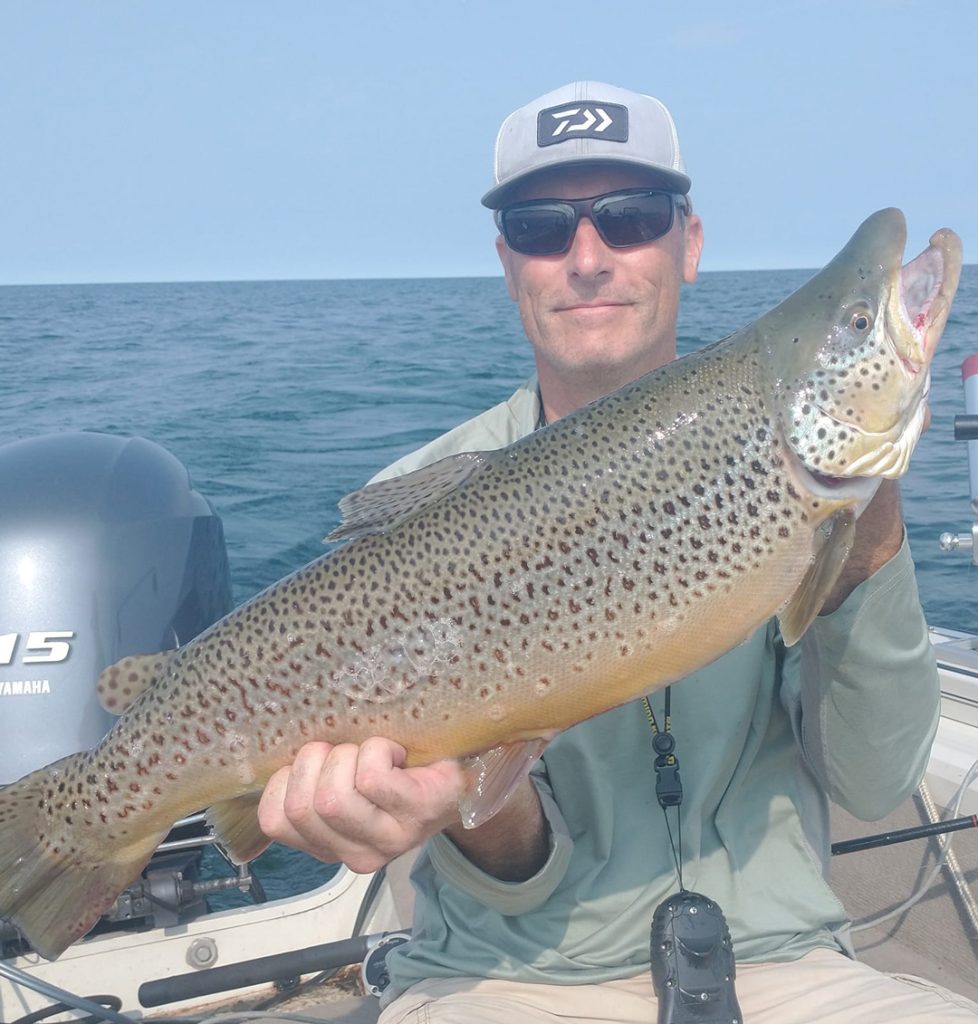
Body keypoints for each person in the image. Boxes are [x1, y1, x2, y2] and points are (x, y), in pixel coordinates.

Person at [257, 82, 978, 1022]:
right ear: (508, 262)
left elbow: (876, 781)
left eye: (632, 217)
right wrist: (456, 798)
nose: (587, 257)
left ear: (691, 243)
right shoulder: (421, 498)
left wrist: (867, 539)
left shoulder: (833, 492)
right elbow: (509, 870)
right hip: (503, 975)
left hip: (789, 964)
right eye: (542, 226)